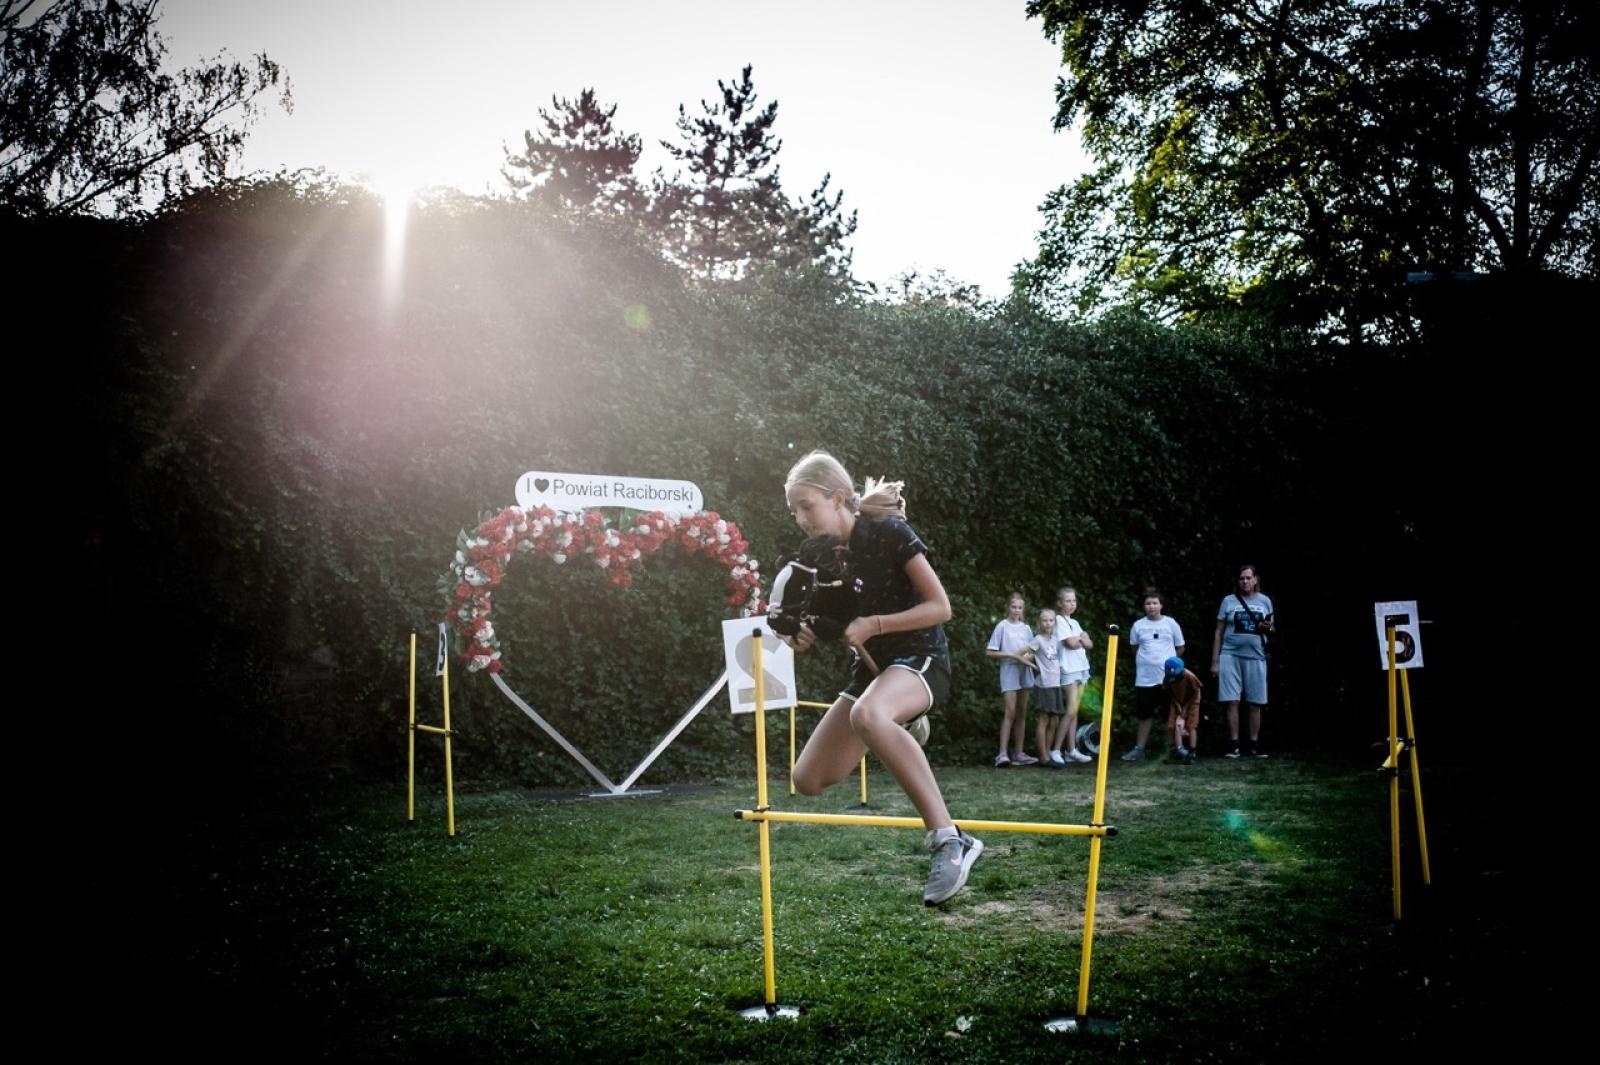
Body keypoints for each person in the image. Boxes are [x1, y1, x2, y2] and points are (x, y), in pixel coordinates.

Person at [780, 450, 983, 905]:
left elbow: (940, 607)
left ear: (837, 498)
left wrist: (874, 624)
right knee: (808, 778)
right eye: (794, 510)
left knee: (870, 714)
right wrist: (809, 633)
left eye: (806, 506)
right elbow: (838, 623)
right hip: (872, 672)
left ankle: (951, 840)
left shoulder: (890, 533)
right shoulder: (829, 558)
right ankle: (902, 722)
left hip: (922, 658)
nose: (799, 518)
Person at [1211, 563, 1275, 758]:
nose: (1245, 581)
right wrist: (1215, 661)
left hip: (1256, 655)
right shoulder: (1228, 601)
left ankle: (1254, 744)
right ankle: (1234, 744)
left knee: (1256, 701)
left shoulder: (1265, 601)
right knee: (1232, 701)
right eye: (1242, 578)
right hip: (1230, 654)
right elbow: (1218, 632)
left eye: (1248, 578)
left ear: (1255, 580)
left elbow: (1272, 629)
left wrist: (1267, 627)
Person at [1124, 588, 1185, 760]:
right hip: (1145, 679)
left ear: (1161, 605)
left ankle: (1178, 748)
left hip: (1168, 679)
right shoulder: (1138, 626)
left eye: (1155, 603)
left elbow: (1180, 647)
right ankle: (1139, 750)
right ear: (1144, 606)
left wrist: (1170, 664)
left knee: (1172, 714)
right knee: (1144, 715)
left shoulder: (1171, 623)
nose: (1151, 606)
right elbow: (1135, 649)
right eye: (1148, 603)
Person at [986, 593, 1038, 767]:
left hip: (1025, 672)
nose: (1016, 610)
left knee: (1022, 713)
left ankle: (1019, 753)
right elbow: (990, 652)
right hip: (1009, 671)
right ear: (1008, 607)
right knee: (1010, 712)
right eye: (1014, 607)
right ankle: (1002, 754)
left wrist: (1026, 659)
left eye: (1020, 608)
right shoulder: (1002, 626)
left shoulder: (1026, 628)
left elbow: (1033, 651)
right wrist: (1011, 655)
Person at [1051, 586, 1095, 764]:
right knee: (1070, 710)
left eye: (1073, 601)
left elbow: (1089, 644)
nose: (1071, 604)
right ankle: (1055, 750)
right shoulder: (1059, 621)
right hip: (1068, 669)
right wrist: (1082, 639)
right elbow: (1070, 643)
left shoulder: (1075, 623)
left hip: (1081, 668)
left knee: (1075, 711)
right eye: (1068, 601)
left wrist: (1082, 639)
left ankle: (1071, 750)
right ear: (1060, 603)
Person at [1024, 608, 1065, 767]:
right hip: (1044, 684)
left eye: (1051, 620)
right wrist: (1034, 666)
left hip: (1055, 684)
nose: (1048, 623)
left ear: (1054, 622)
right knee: (1043, 719)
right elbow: (1021, 654)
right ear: (1039, 623)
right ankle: (1043, 757)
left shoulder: (1055, 640)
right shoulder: (1037, 639)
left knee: (1054, 720)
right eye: (1044, 620)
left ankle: (1048, 755)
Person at [1162, 655, 1201, 764]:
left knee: (1191, 725)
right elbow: (1169, 692)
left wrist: (1185, 708)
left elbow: (1196, 692)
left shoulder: (1189, 676)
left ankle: (1192, 752)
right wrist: (1178, 705)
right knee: (1171, 725)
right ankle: (1174, 750)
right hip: (1177, 702)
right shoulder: (1168, 677)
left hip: (1192, 702)